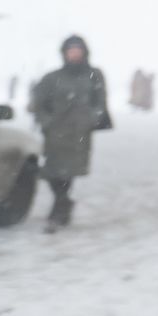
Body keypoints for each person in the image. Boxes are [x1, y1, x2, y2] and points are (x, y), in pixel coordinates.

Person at [30, 34, 110, 233]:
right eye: (70, 51)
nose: (74, 54)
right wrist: (46, 122)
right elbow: (37, 104)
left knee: (68, 172)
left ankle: (57, 212)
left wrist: (92, 118)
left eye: (77, 50)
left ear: (84, 52)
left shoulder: (94, 75)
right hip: (55, 132)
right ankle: (64, 202)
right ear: (64, 53)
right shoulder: (52, 78)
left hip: (79, 133)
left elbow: (100, 100)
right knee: (51, 173)